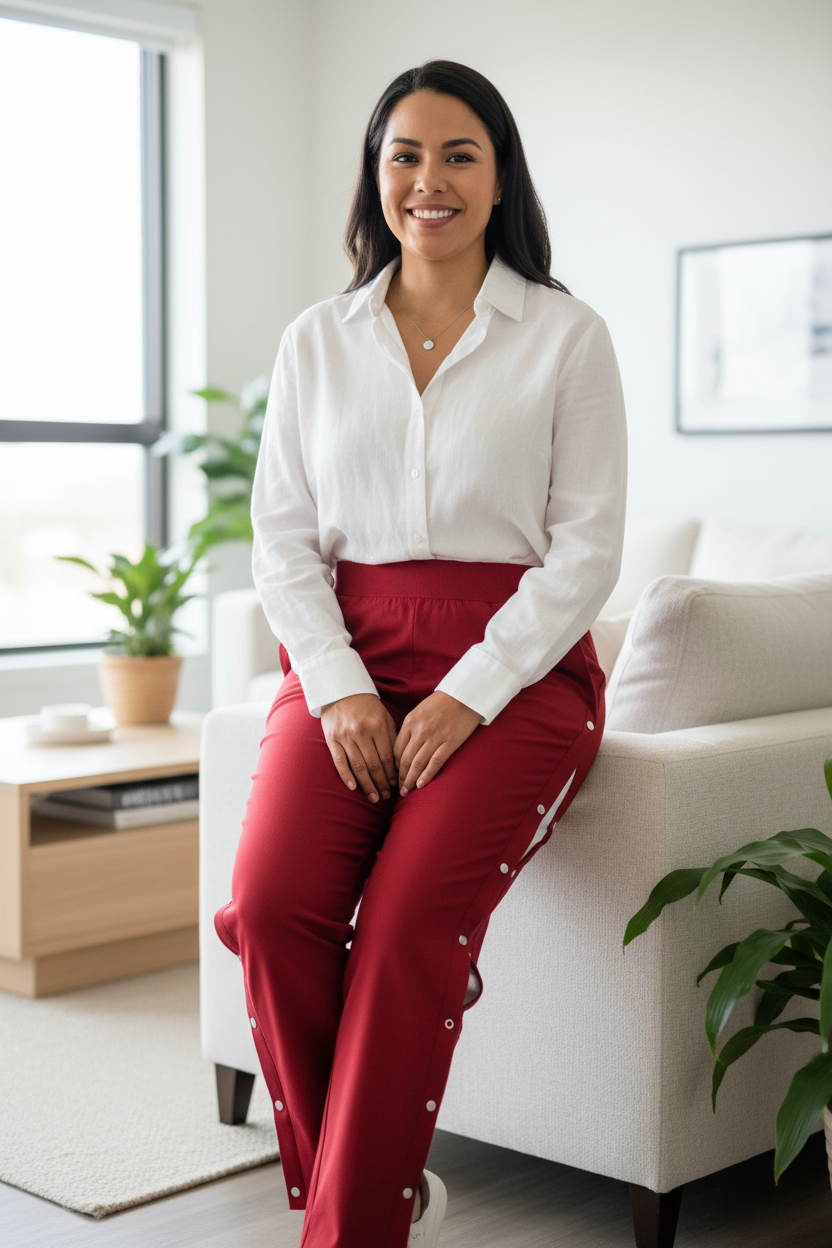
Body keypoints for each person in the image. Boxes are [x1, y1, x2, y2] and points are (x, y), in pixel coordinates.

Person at [214, 59, 627, 1248]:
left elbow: (585, 553)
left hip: (516, 676)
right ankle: (376, 1183)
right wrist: (340, 690)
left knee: (403, 933)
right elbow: (282, 540)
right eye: (405, 155)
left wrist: (469, 693)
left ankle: (350, 1229)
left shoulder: (565, 335)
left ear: (499, 182)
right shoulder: (316, 340)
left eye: (458, 156)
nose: (428, 181)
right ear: (374, 176)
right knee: (271, 906)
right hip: (343, 660)